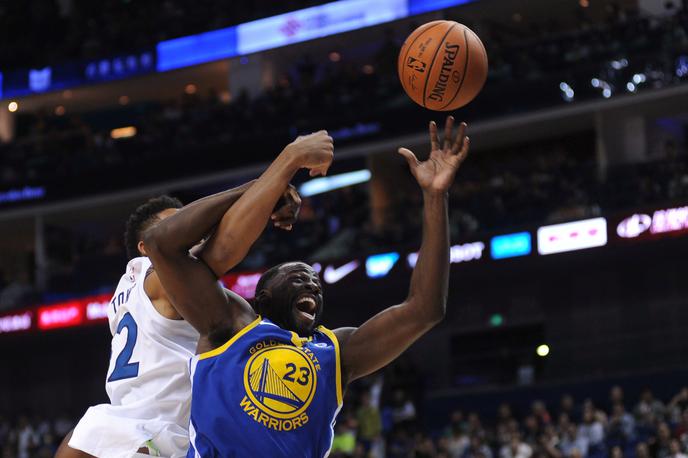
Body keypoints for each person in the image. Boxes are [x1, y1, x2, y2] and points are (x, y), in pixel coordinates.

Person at [144, 117, 469, 456]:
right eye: (299, 278)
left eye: (316, 285)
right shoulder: (228, 324)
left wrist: (436, 196)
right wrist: (259, 186)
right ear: (263, 297)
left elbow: (424, 309)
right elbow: (161, 245)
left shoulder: (336, 352)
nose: (313, 287)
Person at [54, 133, 321, 457]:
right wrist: (275, 174)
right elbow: (223, 247)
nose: (194, 233)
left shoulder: (131, 291)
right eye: (179, 225)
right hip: (158, 436)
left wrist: (264, 191)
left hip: (114, 429)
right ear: (145, 246)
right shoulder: (155, 275)